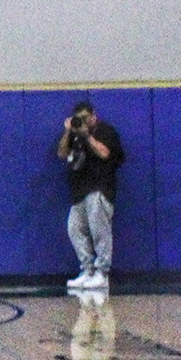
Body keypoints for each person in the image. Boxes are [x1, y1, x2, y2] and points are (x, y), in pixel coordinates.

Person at [55, 99, 125, 293]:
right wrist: (69, 131)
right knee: (74, 229)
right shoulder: (74, 134)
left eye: (86, 118)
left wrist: (87, 137)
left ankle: (102, 273)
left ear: (94, 116)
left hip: (99, 189)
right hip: (79, 192)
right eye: (79, 119)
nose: (83, 122)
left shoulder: (106, 131)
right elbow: (62, 153)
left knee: (99, 229)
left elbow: (105, 153)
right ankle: (87, 270)